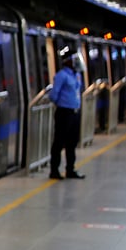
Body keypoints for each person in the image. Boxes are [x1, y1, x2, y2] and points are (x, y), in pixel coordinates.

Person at [48, 49, 85, 180]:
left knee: (72, 142)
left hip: (75, 113)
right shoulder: (61, 75)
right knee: (59, 142)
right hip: (64, 113)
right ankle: (54, 170)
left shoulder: (76, 75)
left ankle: (71, 169)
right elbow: (53, 95)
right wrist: (63, 103)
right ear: (67, 61)